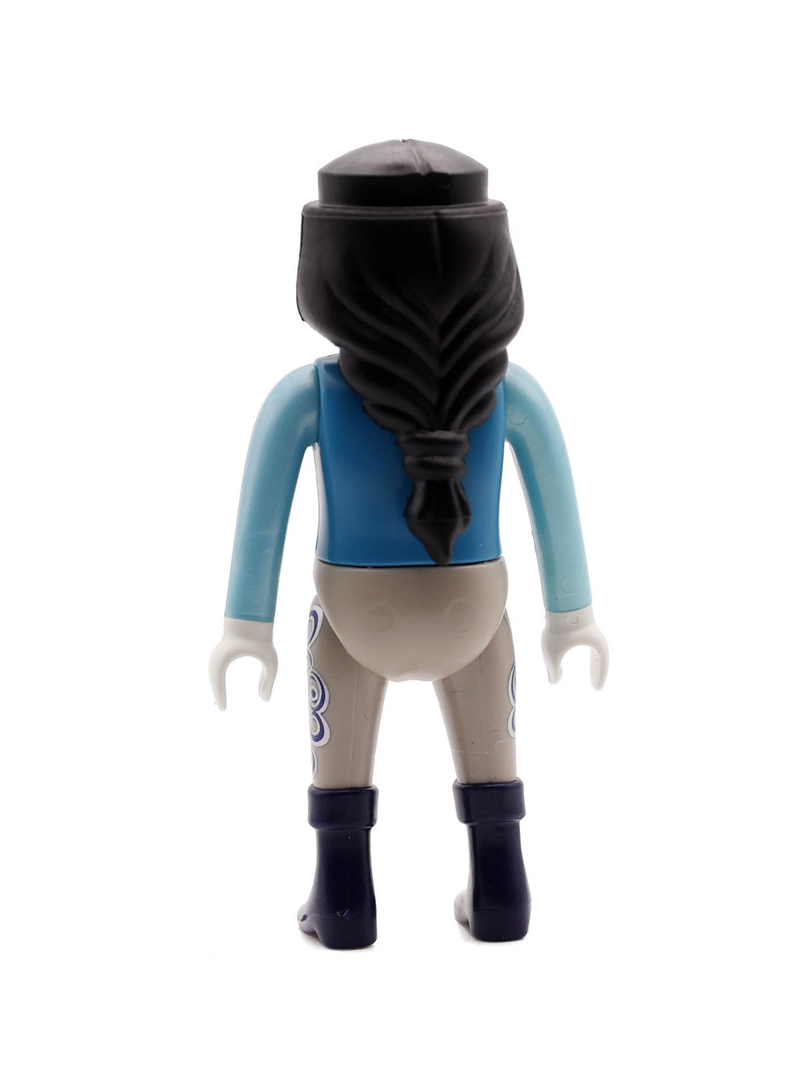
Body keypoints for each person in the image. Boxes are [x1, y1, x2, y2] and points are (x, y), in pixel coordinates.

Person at [209, 140, 608, 948]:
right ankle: (502, 891)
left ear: (328, 270)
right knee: (493, 755)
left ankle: (343, 900)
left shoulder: (308, 396)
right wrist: (572, 618)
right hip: (475, 611)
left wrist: (246, 630)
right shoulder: (512, 393)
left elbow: (261, 516)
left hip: (356, 614)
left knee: (339, 743)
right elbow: (556, 506)